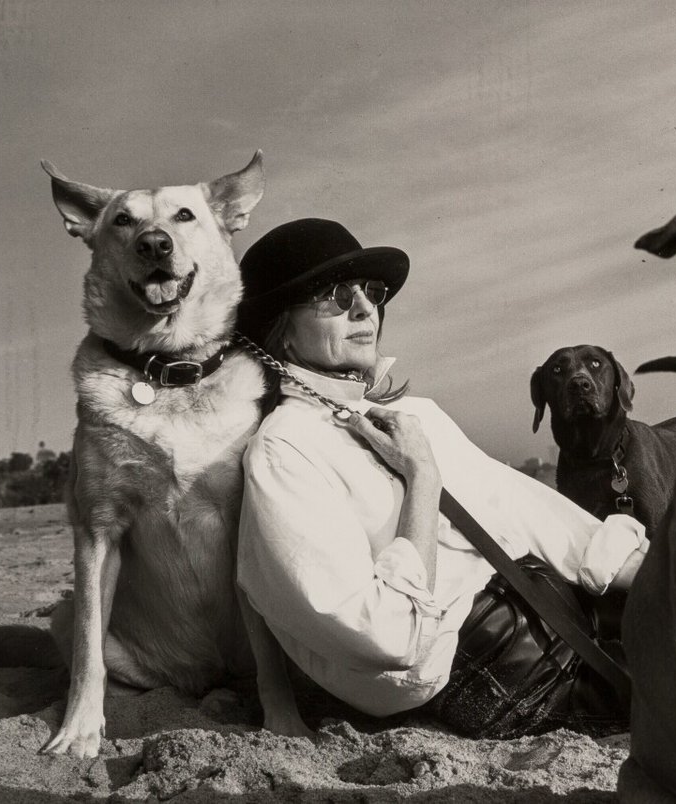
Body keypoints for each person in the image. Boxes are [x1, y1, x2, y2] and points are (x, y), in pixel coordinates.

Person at [233, 218, 648, 739]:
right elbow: (387, 636)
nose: (364, 309)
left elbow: (524, 510)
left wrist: (670, 580)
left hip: (573, 622)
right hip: (506, 679)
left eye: (371, 291)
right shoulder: (285, 451)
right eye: (335, 296)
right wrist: (422, 480)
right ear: (280, 329)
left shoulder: (415, 415)